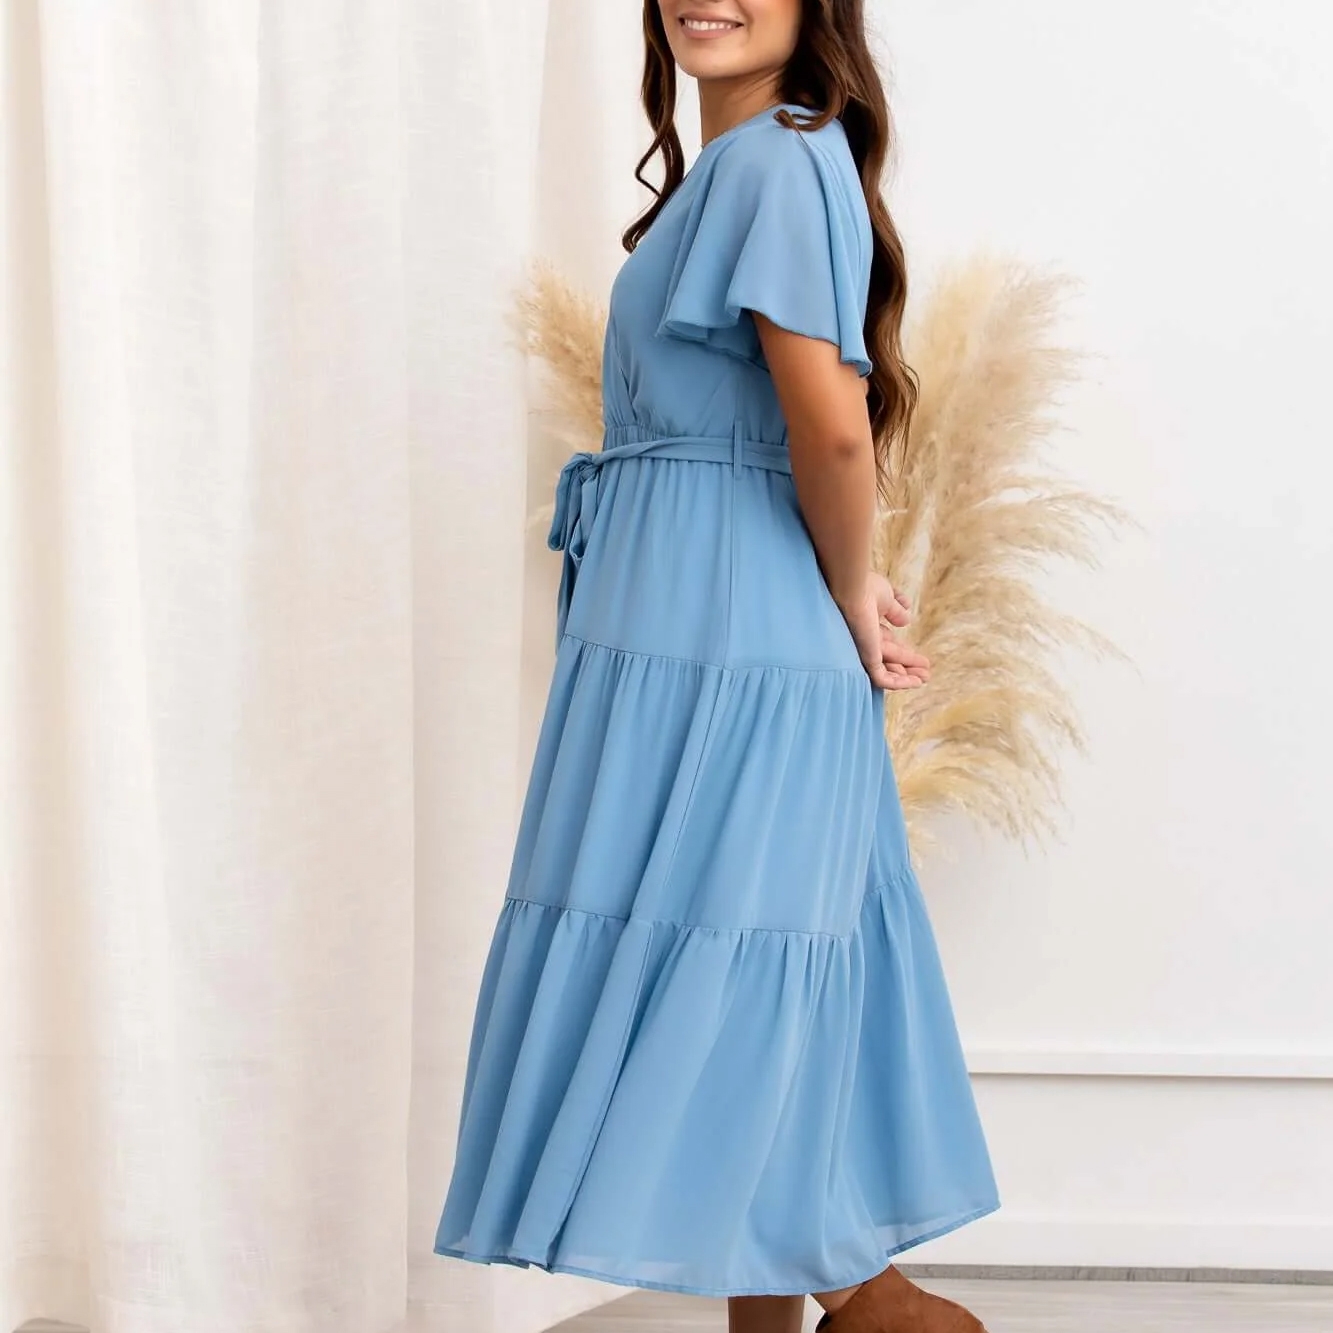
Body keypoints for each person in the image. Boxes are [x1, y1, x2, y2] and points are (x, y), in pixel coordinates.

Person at [435, 3, 999, 1330]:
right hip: (687, 621)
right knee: (742, 969)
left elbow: (833, 428)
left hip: (727, 630)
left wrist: (850, 590)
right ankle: (839, 1307)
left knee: (729, 976)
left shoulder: (776, 161)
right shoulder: (757, 166)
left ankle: (878, 1301)